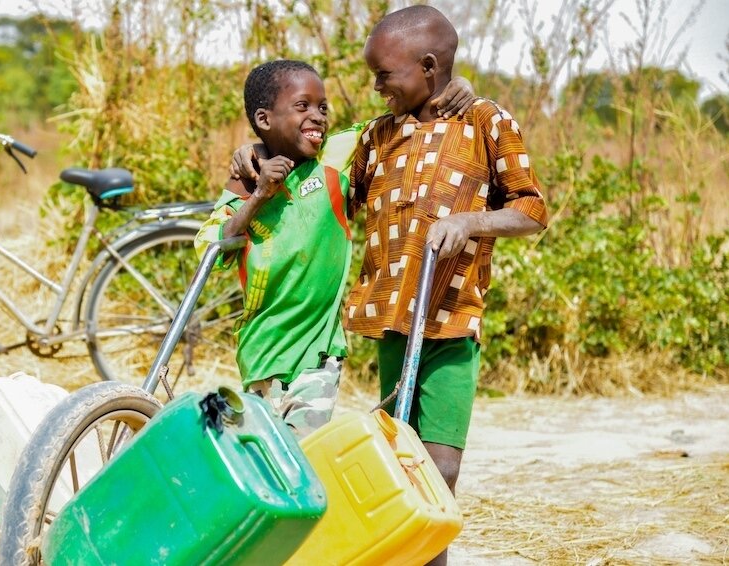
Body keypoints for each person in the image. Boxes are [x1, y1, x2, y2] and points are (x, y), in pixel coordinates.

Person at [232, 7, 548, 565]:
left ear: (428, 67)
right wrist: (255, 155)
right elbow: (318, 171)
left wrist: (471, 221)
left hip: (450, 321)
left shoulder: (486, 122)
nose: (375, 88)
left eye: (384, 76)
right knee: (400, 460)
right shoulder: (378, 136)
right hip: (390, 321)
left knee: (440, 467)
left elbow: (532, 208)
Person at [195, 59, 351, 438]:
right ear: (265, 119)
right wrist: (259, 195)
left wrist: (453, 84)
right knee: (266, 452)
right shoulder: (245, 184)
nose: (317, 116)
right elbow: (210, 251)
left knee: (302, 449)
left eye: (322, 107)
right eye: (303, 106)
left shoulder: (334, 159)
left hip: (319, 352)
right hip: (262, 349)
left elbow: (395, 119)